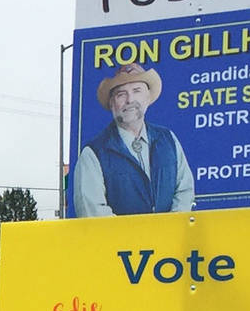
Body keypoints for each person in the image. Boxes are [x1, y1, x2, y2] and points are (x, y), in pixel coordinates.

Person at [71, 63, 195, 216]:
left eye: (137, 91)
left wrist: (167, 231)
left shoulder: (168, 140)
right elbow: (92, 212)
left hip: (169, 238)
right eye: (121, 94)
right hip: (119, 240)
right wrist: (137, 238)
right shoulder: (93, 154)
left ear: (148, 97)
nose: (130, 100)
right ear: (111, 103)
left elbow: (184, 191)